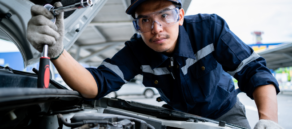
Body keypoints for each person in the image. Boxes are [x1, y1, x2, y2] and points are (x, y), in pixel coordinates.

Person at [26, 0, 283, 128]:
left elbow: (255, 71)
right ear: (137, 25)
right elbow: (96, 84)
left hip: (227, 115)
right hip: (180, 120)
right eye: (145, 20)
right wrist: (58, 52)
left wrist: (268, 120)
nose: (156, 28)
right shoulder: (137, 51)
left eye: (164, 15)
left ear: (180, 16)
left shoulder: (210, 29)